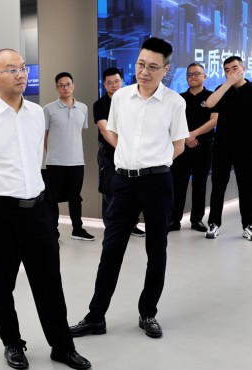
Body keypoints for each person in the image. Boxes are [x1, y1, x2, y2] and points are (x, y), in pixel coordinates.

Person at [0, 48, 91, 370]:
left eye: (22, 68)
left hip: (38, 209)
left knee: (50, 281)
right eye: (11, 69)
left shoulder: (36, 114)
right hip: (0, 212)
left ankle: (62, 346)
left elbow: (36, 158)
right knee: (3, 283)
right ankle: (13, 343)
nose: (21, 74)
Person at [70, 37, 188, 339]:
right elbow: (116, 135)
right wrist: (129, 161)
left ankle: (148, 313)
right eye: (140, 64)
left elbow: (178, 145)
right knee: (110, 251)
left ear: (166, 69)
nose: (144, 71)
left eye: (152, 67)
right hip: (123, 182)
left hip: (157, 183)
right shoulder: (121, 97)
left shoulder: (175, 103)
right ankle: (95, 317)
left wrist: (154, 162)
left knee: (156, 251)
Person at [204, 56, 252, 240]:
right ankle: (214, 223)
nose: (231, 72)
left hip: (246, 147)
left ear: (243, 68)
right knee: (218, 186)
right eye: (227, 70)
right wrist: (228, 83)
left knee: (246, 188)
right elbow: (209, 103)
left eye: (235, 68)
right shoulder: (222, 89)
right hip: (222, 146)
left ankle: (248, 224)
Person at [93, 67, 146, 237]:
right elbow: (105, 130)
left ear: (122, 81)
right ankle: (111, 226)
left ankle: (131, 224)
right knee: (109, 189)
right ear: (104, 84)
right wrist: (122, 149)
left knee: (132, 188)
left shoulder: (132, 101)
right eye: (109, 83)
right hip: (108, 153)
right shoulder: (100, 104)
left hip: (131, 153)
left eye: (116, 81)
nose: (114, 85)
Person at [43, 72, 94, 241]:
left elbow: (79, 131)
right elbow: (44, 135)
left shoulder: (83, 108)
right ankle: (53, 232)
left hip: (77, 161)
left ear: (73, 86)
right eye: (61, 85)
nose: (65, 87)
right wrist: (52, 152)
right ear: (57, 88)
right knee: (52, 199)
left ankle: (77, 229)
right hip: (55, 162)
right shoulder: (48, 109)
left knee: (75, 198)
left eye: (68, 84)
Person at [169, 63, 218, 232]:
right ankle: (174, 220)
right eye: (189, 74)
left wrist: (194, 134)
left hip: (204, 147)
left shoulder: (212, 97)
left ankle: (196, 220)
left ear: (205, 76)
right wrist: (186, 137)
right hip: (181, 147)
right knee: (178, 184)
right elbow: (173, 122)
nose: (192, 77)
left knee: (200, 185)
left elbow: (214, 120)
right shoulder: (179, 98)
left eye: (196, 73)